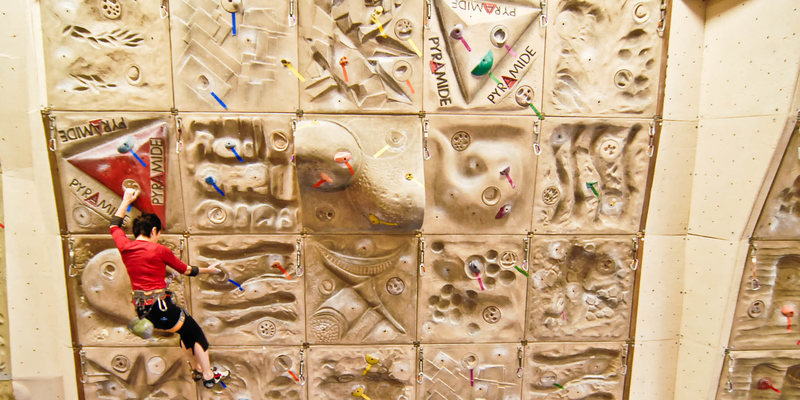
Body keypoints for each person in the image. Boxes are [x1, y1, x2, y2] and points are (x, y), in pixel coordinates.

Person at [110, 188, 229, 388]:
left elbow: (114, 225)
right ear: (154, 231)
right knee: (196, 333)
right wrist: (209, 270)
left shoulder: (125, 246)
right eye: (158, 233)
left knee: (185, 333)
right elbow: (187, 270)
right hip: (161, 308)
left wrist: (126, 200)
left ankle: (197, 370)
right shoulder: (159, 250)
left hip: (142, 311)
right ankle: (209, 376)